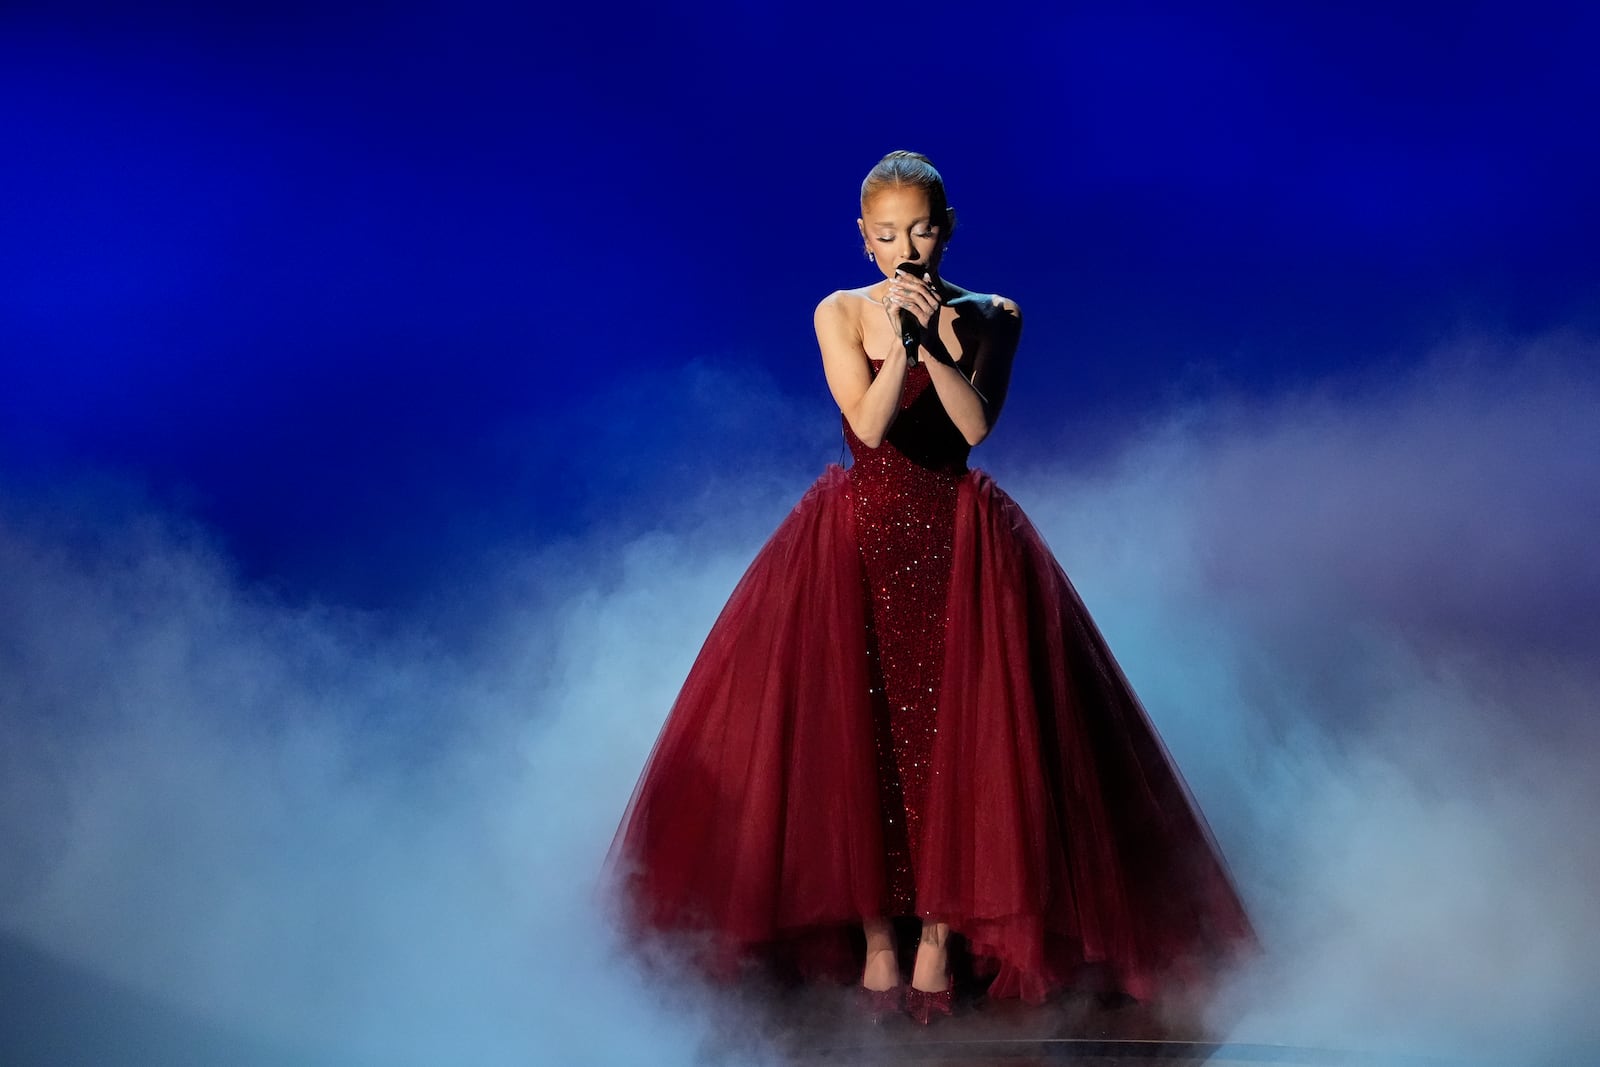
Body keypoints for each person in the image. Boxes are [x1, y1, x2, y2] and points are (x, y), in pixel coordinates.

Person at [601, 150, 1258, 1026]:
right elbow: (869, 428)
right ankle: (879, 942)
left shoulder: (994, 314)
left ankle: (939, 943)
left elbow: (975, 427)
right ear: (864, 241)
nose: (904, 247)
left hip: (962, 546)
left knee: (962, 741)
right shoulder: (838, 312)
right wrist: (896, 341)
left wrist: (933, 342)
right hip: (857, 546)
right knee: (858, 741)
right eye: (885, 234)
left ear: (946, 229)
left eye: (919, 229)